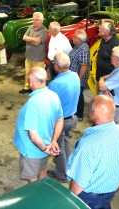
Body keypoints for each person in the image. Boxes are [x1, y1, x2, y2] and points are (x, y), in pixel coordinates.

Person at [66, 95, 119, 209]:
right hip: (111, 190)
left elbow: (78, 185)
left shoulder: (89, 145)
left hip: (89, 198)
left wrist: (69, 199)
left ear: (94, 114)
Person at [13, 67, 63, 183]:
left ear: (30, 81)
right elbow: (60, 120)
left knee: (33, 182)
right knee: (42, 171)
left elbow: (33, 135)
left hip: (32, 150)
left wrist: (45, 149)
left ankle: (36, 200)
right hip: (46, 143)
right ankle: (45, 195)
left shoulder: (33, 102)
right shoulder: (54, 96)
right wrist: (54, 141)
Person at [46, 52, 80, 183]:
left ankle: (61, 174)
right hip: (73, 117)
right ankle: (66, 165)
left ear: (56, 66)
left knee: (57, 147)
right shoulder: (75, 76)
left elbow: (49, 106)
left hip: (61, 121)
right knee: (65, 141)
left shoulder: (55, 84)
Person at [98, 46, 119, 123]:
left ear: (117, 59)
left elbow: (101, 86)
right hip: (111, 106)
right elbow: (108, 79)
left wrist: (101, 79)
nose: (110, 57)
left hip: (112, 109)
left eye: (112, 55)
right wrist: (106, 87)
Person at [19, 12, 48, 94]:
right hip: (28, 56)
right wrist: (33, 39)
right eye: (33, 19)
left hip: (38, 58)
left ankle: (38, 90)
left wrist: (30, 39)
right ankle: (27, 87)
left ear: (41, 21)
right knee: (28, 72)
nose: (34, 21)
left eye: (36, 20)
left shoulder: (44, 30)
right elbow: (24, 37)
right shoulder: (30, 28)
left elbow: (38, 42)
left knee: (38, 75)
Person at [69, 29, 90, 121]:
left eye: (74, 37)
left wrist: (78, 80)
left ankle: (79, 114)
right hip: (73, 77)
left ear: (79, 39)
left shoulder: (83, 49)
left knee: (78, 95)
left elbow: (84, 67)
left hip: (77, 79)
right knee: (75, 95)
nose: (72, 38)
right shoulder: (78, 46)